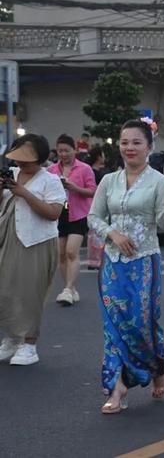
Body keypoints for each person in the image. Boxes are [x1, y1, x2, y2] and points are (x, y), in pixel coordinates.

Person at [88, 118, 164, 414]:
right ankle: (117, 387)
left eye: (136, 142)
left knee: (144, 323)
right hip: (112, 263)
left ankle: (158, 367)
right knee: (113, 325)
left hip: (144, 262)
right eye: (124, 142)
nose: (129, 148)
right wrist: (112, 234)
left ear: (149, 147)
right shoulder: (109, 181)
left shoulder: (160, 182)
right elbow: (94, 217)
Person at [0, 135, 65, 366]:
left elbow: (54, 213)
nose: (21, 164)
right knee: (5, 291)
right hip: (8, 237)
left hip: (36, 241)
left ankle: (29, 343)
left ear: (41, 158)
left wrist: (24, 193)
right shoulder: (12, 175)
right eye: (18, 159)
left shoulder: (50, 180)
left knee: (30, 294)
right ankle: (11, 338)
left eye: (26, 160)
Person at [47, 134, 96, 306]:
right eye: (60, 151)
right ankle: (71, 288)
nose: (63, 154)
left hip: (79, 213)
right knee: (61, 254)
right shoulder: (51, 170)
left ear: (74, 150)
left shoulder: (84, 169)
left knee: (71, 251)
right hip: (60, 213)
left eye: (67, 150)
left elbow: (92, 191)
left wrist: (74, 188)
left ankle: (68, 289)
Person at [86, 146, 107, 270]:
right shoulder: (96, 173)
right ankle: (97, 260)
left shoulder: (93, 171)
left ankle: (92, 260)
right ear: (99, 157)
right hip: (97, 205)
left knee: (93, 234)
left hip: (90, 205)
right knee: (98, 234)